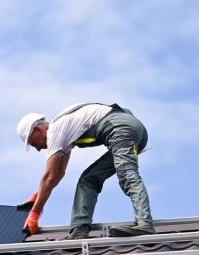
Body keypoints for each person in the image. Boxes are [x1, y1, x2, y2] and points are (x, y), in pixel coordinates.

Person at [16, 103, 154, 240]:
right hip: (131, 130)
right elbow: (58, 173)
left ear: (37, 130)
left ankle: (145, 224)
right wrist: (37, 195)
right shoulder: (64, 135)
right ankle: (79, 231)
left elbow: (49, 177)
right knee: (88, 180)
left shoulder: (54, 131)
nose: (38, 149)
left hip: (122, 129)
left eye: (33, 144)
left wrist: (34, 214)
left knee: (126, 174)